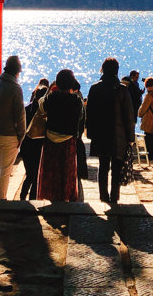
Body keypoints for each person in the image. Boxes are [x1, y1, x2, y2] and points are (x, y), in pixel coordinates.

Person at [86, 57, 135, 204]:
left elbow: (90, 112)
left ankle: (103, 196)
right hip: (118, 134)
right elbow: (128, 115)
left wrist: (90, 133)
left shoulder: (95, 88)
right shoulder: (122, 89)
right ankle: (114, 196)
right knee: (116, 167)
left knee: (103, 166)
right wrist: (130, 137)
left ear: (103, 69)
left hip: (101, 133)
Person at [37, 70, 84, 202]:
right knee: (67, 172)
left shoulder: (51, 97)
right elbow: (79, 117)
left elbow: (41, 106)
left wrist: (49, 91)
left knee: (51, 172)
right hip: (68, 140)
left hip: (50, 139)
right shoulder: (76, 100)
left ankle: (49, 195)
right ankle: (66, 197)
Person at [0, 55, 26, 200]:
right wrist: (22, 135)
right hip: (10, 135)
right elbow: (20, 115)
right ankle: (1, 199)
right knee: (5, 169)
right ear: (17, 71)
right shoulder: (15, 88)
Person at [19, 78, 49, 200]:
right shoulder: (45, 112)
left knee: (30, 174)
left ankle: (22, 197)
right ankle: (32, 198)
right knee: (36, 175)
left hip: (26, 146)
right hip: (39, 147)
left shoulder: (26, 110)